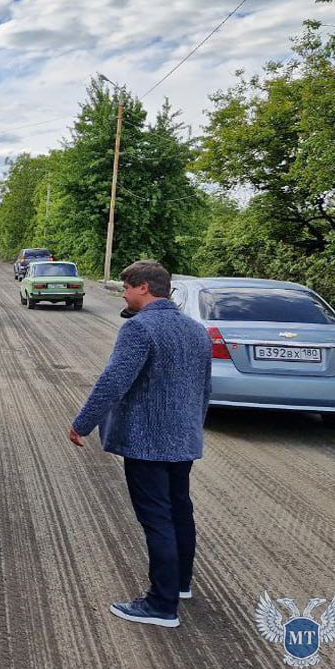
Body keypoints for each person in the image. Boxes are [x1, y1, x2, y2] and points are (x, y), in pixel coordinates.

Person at [68, 260, 212, 629]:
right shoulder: (197, 331)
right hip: (183, 439)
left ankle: (160, 605)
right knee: (180, 512)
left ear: (145, 287)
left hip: (147, 442)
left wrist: (82, 423)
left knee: (156, 518)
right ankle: (179, 585)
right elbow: (204, 390)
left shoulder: (140, 328)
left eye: (127, 288)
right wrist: (194, 427)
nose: (125, 295)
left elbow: (113, 381)